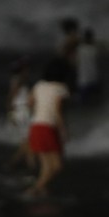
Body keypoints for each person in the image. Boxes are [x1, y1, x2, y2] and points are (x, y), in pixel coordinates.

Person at [24, 57, 70, 197]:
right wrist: (63, 130)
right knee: (57, 166)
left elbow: (29, 103)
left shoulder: (39, 85)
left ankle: (41, 189)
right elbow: (57, 111)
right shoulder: (61, 89)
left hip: (36, 126)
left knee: (46, 165)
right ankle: (35, 189)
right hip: (48, 128)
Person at [4, 56, 36, 172]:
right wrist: (10, 111)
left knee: (26, 141)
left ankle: (27, 163)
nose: (28, 70)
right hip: (22, 112)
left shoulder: (16, 80)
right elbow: (11, 97)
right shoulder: (18, 80)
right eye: (26, 68)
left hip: (20, 111)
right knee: (28, 141)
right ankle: (27, 164)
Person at [75, 28, 101, 104]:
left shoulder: (79, 49)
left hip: (83, 80)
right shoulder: (94, 49)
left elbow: (76, 62)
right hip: (94, 78)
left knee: (83, 102)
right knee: (96, 102)